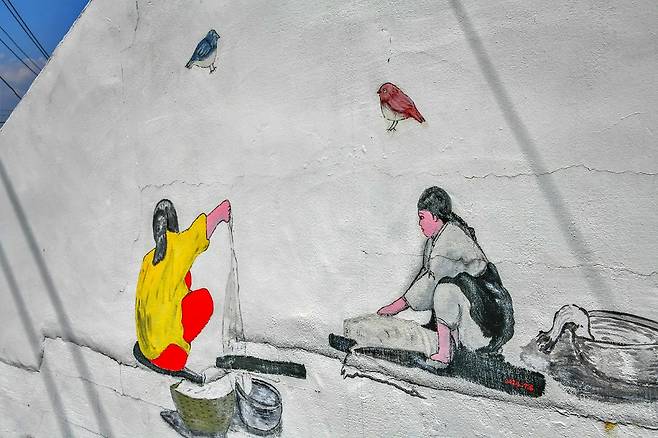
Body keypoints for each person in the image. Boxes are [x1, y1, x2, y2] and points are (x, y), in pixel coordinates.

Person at [377, 187, 514, 365]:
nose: (419, 223)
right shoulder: (434, 241)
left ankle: (445, 354)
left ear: (435, 216)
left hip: (486, 322)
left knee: (444, 290)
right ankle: (452, 345)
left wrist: (396, 307)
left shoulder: (451, 238)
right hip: (473, 310)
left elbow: (431, 281)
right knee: (445, 289)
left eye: (422, 217)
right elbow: (425, 274)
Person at [134, 198, 231, 379]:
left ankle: (157, 346)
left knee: (183, 280)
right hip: (168, 355)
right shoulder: (177, 246)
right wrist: (221, 213)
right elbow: (198, 234)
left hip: (145, 346)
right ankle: (173, 354)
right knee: (203, 300)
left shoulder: (148, 259)